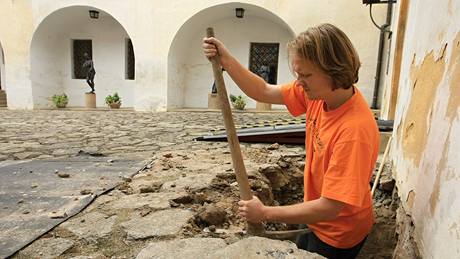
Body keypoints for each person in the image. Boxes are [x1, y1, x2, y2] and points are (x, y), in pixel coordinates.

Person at [202, 23, 379, 259]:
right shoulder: (318, 94)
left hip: (339, 234)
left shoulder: (354, 132)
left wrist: (264, 213)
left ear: (335, 71)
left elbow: (331, 206)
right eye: (297, 74)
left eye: (305, 75)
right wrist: (227, 60)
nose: (299, 82)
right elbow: (263, 90)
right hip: (316, 221)